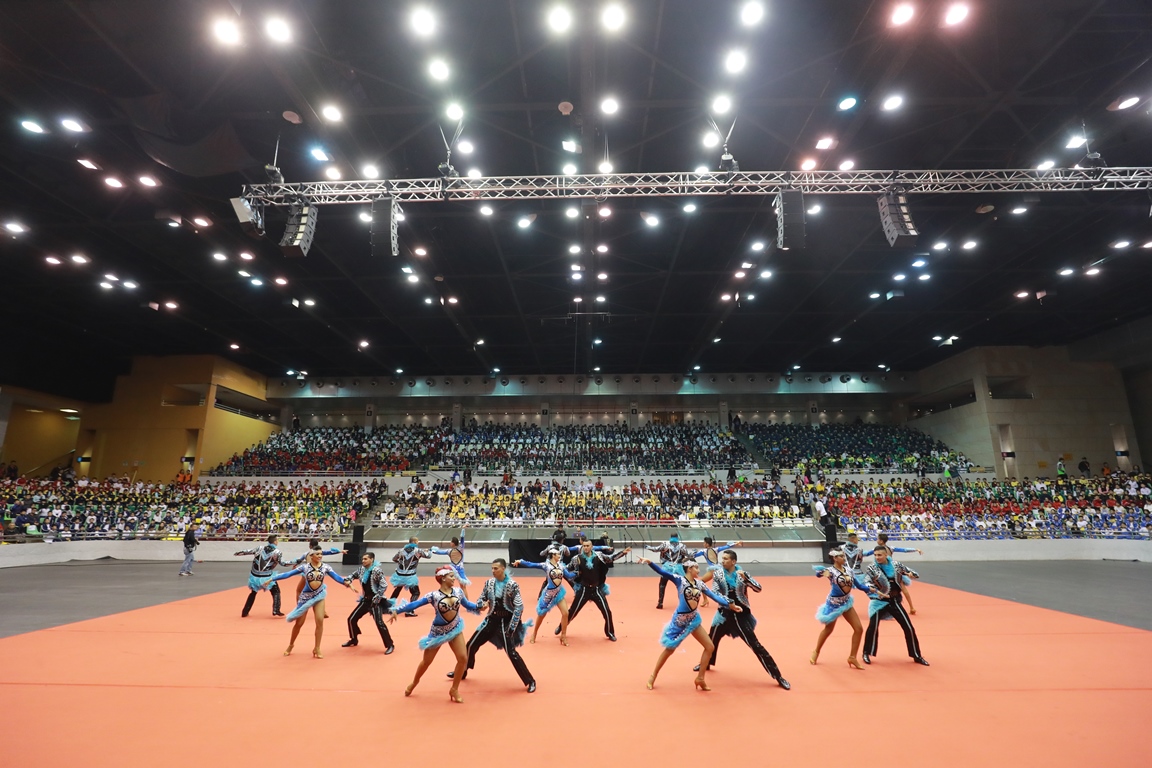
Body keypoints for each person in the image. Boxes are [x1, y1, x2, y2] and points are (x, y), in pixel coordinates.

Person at [636, 555, 737, 691]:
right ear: (689, 569)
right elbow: (663, 572)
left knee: (709, 647)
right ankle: (653, 676)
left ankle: (700, 678)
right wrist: (650, 562)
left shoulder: (700, 584)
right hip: (679, 621)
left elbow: (714, 597)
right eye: (696, 567)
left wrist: (729, 605)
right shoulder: (680, 580)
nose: (699, 570)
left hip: (693, 620)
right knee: (669, 649)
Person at [699, 550, 790, 690]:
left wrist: (747, 579)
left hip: (741, 616)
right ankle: (706, 664)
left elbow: (758, 588)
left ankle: (778, 676)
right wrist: (728, 602)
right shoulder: (718, 574)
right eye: (722, 558)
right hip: (723, 614)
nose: (723, 561)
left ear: (733, 561)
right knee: (711, 640)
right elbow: (715, 592)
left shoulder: (743, 574)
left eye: (726, 559)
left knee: (756, 645)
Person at [389, 566, 481, 703]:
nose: (454, 579)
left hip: (455, 629)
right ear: (442, 578)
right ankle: (414, 682)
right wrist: (397, 610)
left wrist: (480, 606)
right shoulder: (433, 595)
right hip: (437, 633)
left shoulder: (458, 592)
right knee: (427, 662)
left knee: (463, 658)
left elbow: (468, 605)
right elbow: (415, 604)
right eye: (451, 576)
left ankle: (454, 689)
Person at [447, 559, 536, 693]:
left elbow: (519, 607)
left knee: (511, 653)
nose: (493, 571)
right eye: (492, 568)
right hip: (491, 620)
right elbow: (481, 598)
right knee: (471, 645)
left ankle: (530, 680)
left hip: (505, 622)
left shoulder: (512, 585)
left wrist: (512, 627)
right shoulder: (489, 583)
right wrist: (481, 604)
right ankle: (463, 670)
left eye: (496, 568)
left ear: (503, 569)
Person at [261, 549, 354, 658]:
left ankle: (317, 648)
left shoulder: (326, 567)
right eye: (317, 554)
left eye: (321, 554)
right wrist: (272, 579)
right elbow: (288, 574)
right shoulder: (304, 567)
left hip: (319, 596)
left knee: (319, 621)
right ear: (311, 556)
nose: (320, 556)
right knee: (299, 623)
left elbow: (336, 577)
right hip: (305, 598)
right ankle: (291, 645)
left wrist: (346, 583)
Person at [810, 548, 878, 669]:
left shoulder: (849, 570)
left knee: (858, 629)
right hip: (834, 604)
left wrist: (869, 589)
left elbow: (858, 585)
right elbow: (818, 575)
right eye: (841, 556)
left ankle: (852, 657)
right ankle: (816, 651)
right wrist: (821, 572)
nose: (844, 558)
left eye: (843, 556)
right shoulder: (831, 571)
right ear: (835, 558)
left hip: (846, 603)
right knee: (828, 630)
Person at [862, 546, 929, 667]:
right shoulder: (871, 568)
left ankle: (916, 655)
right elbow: (866, 581)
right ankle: (866, 653)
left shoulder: (896, 565)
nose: (877, 557)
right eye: (875, 555)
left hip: (894, 600)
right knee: (873, 627)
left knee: (908, 627)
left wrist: (911, 574)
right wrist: (871, 588)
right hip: (878, 601)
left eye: (879, 555)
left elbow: (914, 573)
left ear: (886, 555)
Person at [563, 541, 631, 641]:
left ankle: (610, 633)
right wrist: (559, 568)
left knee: (607, 612)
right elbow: (567, 568)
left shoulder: (599, 556)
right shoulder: (576, 558)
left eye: (587, 546)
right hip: (584, 590)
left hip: (596, 589)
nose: (585, 548)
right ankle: (562, 626)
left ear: (592, 547)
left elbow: (610, 558)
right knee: (573, 611)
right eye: (584, 546)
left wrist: (622, 553)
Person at [512, 548, 577, 645]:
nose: (560, 556)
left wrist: (578, 572)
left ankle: (563, 636)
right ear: (553, 555)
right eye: (558, 554)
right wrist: (520, 561)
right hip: (548, 594)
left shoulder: (561, 566)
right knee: (541, 615)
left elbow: (569, 575)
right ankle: (534, 633)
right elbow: (532, 564)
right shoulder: (546, 565)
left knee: (565, 613)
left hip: (558, 593)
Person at [342, 552, 395, 654]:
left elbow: (384, 585)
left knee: (379, 623)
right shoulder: (361, 569)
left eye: (365, 559)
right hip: (365, 600)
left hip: (376, 601)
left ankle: (390, 645)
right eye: (362, 559)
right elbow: (352, 575)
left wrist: (378, 597)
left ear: (372, 560)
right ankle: (354, 639)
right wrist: (348, 580)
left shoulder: (377, 571)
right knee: (351, 619)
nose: (363, 561)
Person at [863, 533, 923, 614]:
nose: (877, 540)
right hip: (893, 571)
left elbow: (866, 554)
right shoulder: (891, 548)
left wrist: (856, 554)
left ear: (881, 541)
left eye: (877, 539)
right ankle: (911, 607)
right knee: (902, 589)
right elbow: (904, 550)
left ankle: (883, 608)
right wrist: (915, 549)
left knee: (881, 589)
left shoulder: (876, 549)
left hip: (883, 572)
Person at [235, 535, 290, 617]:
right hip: (266, 576)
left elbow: (248, 551)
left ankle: (245, 611)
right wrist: (295, 562)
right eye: (277, 540)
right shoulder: (277, 552)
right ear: (275, 542)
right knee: (276, 591)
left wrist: (238, 553)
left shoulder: (260, 548)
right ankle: (276, 610)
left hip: (255, 575)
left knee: (253, 593)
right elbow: (283, 563)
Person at [644, 533, 689, 609]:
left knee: (662, 584)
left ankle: (660, 602)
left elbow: (656, 549)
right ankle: (683, 603)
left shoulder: (665, 544)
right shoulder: (682, 546)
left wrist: (648, 547)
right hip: (678, 568)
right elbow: (687, 555)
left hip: (667, 567)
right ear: (677, 537)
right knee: (681, 585)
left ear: (670, 537)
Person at [390, 537, 433, 616]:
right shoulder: (418, 551)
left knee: (397, 590)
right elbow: (429, 556)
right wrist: (430, 550)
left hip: (399, 575)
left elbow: (394, 559)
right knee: (416, 593)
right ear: (415, 542)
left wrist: (400, 563)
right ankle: (410, 610)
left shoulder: (401, 550)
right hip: (410, 576)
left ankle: (389, 607)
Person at [430, 526, 470, 599]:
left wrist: (431, 550)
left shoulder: (450, 551)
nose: (450, 543)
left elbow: (439, 552)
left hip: (453, 570)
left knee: (451, 584)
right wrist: (463, 529)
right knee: (463, 587)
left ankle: (458, 600)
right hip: (459, 569)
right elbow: (462, 538)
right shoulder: (460, 549)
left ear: (453, 543)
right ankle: (466, 602)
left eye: (451, 542)